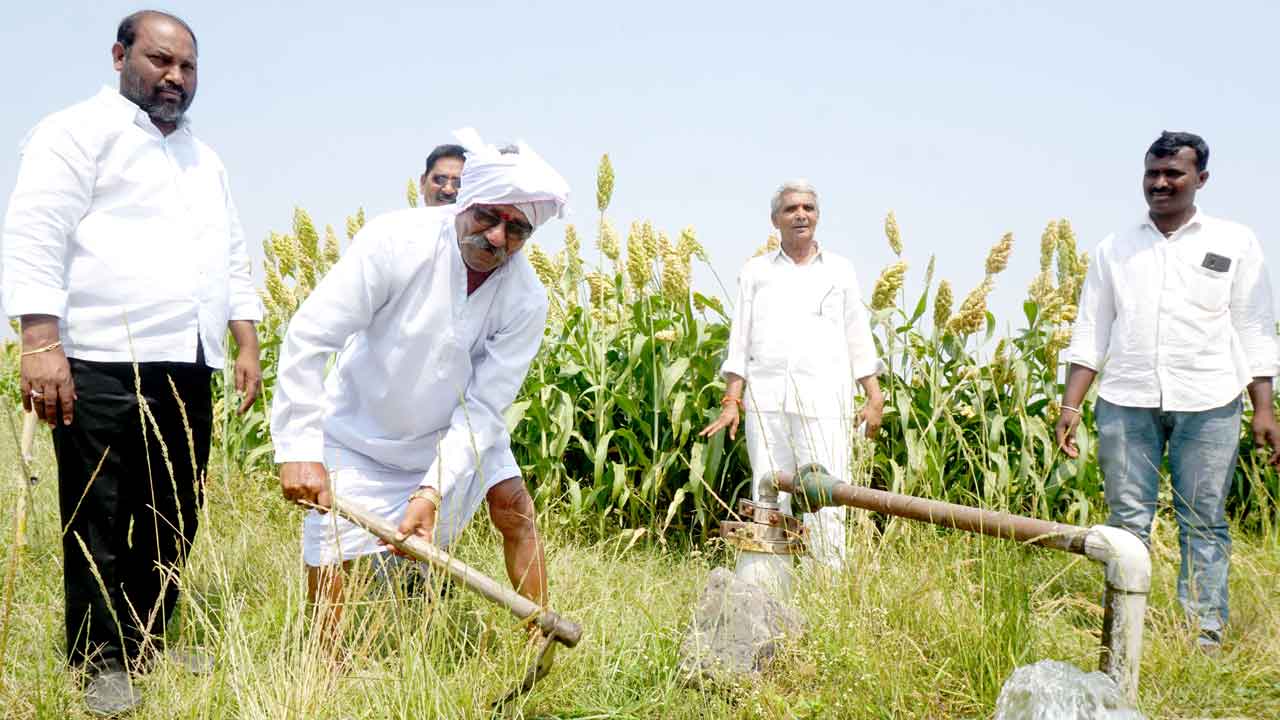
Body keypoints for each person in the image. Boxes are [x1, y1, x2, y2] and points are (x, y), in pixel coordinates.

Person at [0, 10, 261, 715]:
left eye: (188, 67)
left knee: (175, 508)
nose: (175, 77)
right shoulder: (73, 133)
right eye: (160, 60)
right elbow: (36, 233)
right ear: (120, 56)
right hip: (100, 359)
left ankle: (147, 639)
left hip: (189, 361)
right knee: (101, 514)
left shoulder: (204, 159)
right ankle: (99, 659)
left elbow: (231, 252)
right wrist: (39, 342)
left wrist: (245, 341)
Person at [270, 128, 568, 637]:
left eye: (517, 229)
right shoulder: (396, 240)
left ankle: (538, 637)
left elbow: (484, 409)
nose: (498, 237)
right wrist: (299, 446)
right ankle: (322, 671)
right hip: (362, 430)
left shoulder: (526, 299)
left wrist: (431, 490)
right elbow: (310, 334)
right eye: (488, 216)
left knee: (514, 505)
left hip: (453, 432)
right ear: (466, 202)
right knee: (331, 548)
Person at [1056, 131, 1280, 651]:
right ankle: (1123, 631)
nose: (1159, 183)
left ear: (1201, 179)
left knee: (1203, 521)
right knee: (1125, 523)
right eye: (1152, 173)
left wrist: (1264, 408)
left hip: (1210, 401)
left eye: (1173, 173)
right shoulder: (1114, 248)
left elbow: (1253, 326)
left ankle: (1201, 634)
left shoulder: (1234, 242)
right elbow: (1091, 329)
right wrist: (1071, 404)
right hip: (1125, 401)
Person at [700, 180, 885, 571]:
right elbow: (740, 342)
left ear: (817, 217)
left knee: (828, 498)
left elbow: (858, 337)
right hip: (767, 405)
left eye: (808, 208)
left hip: (826, 404)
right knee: (767, 494)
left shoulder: (840, 271)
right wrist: (732, 400)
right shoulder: (755, 272)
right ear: (775, 220)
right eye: (791, 209)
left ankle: (827, 586)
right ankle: (766, 587)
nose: (801, 215)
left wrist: (874, 396)